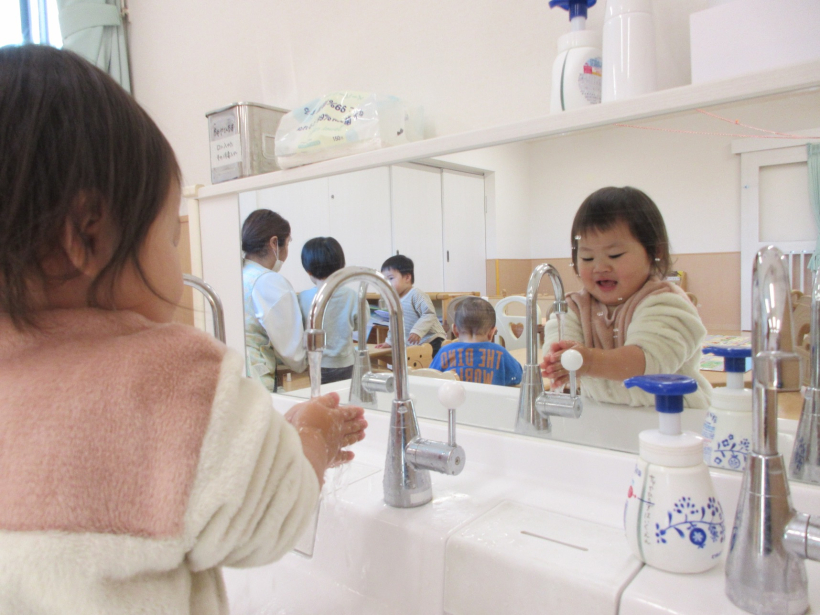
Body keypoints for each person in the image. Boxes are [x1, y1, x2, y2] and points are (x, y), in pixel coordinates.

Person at [0, 45, 367, 613]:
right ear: (87, 234)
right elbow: (274, 515)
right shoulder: (167, 378)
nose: (178, 258)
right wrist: (312, 433)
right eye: (171, 237)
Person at [541, 186, 712, 408]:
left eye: (615, 255)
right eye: (587, 257)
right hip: (608, 415)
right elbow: (557, 348)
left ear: (655, 252)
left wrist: (587, 360)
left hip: (674, 415)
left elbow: (646, 362)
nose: (600, 267)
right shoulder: (573, 307)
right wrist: (560, 359)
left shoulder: (667, 302)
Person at [242, 209, 307, 391]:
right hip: (256, 381)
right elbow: (292, 352)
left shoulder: (239, 273)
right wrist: (308, 361)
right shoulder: (269, 282)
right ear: (274, 243)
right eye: (288, 242)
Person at [298, 237, 358, 384]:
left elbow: (299, 329)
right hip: (346, 362)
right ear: (341, 266)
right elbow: (360, 324)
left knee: (321, 396)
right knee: (345, 396)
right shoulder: (352, 296)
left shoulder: (303, 298)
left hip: (317, 362)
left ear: (308, 270)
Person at [430, 297, 523, 386]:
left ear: (455, 330)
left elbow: (429, 377)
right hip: (489, 398)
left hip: (454, 398)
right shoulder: (500, 353)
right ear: (492, 333)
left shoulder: (444, 352)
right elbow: (518, 377)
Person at [377, 255, 446, 358]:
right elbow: (394, 324)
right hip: (415, 344)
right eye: (385, 280)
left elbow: (429, 314)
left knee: (432, 365)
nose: (387, 284)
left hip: (432, 340)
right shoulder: (393, 301)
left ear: (407, 277)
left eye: (391, 278)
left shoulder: (416, 294)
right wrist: (389, 341)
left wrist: (417, 331)